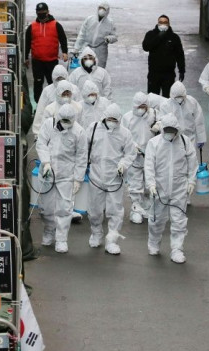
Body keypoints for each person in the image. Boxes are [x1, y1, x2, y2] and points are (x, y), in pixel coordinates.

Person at [144, 113, 197, 264]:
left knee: (179, 220)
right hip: (159, 188)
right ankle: (153, 243)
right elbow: (149, 166)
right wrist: (151, 184)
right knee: (156, 219)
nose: (169, 133)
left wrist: (191, 182)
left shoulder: (185, 143)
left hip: (179, 188)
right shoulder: (154, 143)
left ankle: (177, 249)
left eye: (171, 130)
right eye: (166, 130)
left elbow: (192, 164)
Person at [86, 103, 137, 255]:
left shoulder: (125, 133)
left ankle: (112, 240)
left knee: (115, 211)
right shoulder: (93, 129)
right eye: (109, 118)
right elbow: (83, 148)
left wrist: (123, 164)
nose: (111, 121)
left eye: (115, 119)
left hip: (115, 178)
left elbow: (130, 153)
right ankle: (96, 233)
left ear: (119, 120)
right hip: (96, 176)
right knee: (94, 210)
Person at [35, 103, 87, 253]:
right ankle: (48, 231)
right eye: (63, 120)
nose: (65, 124)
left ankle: (61, 239)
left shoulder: (79, 132)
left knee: (64, 208)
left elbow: (81, 156)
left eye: (68, 121)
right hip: (47, 172)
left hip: (67, 174)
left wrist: (78, 179)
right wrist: (45, 162)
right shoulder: (48, 125)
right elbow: (41, 144)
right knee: (46, 207)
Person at [122, 91, 159, 224]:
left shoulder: (154, 115)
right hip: (135, 156)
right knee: (135, 183)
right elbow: (123, 135)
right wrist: (133, 145)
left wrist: (160, 126)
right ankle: (136, 208)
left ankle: (149, 207)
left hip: (151, 156)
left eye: (144, 106)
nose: (141, 109)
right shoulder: (127, 118)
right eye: (139, 106)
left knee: (151, 183)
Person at [25, 3, 68, 103]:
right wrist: (26, 57)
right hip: (37, 61)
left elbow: (63, 39)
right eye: (38, 13)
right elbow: (27, 43)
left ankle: (53, 102)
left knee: (52, 83)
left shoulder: (56, 25)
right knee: (38, 83)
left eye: (43, 13)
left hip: (51, 61)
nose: (41, 15)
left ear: (48, 12)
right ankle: (38, 103)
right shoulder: (32, 27)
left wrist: (65, 52)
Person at [142, 15, 185, 97]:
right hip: (154, 74)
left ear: (168, 24)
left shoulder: (174, 37)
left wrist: (181, 70)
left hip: (169, 75)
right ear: (157, 23)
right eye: (161, 22)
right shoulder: (150, 34)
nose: (163, 24)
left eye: (165, 23)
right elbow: (146, 47)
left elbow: (180, 55)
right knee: (153, 99)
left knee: (168, 99)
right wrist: (158, 37)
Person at [159, 81, 206, 153]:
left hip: (191, 137)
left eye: (181, 97)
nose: (179, 99)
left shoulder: (192, 102)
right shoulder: (165, 106)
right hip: (174, 138)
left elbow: (199, 121)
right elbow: (163, 124)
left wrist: (201, 138)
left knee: (191, 159)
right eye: (177, 97)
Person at [32, 64, 81, 128]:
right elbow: (40, 111)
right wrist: (37, 131)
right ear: (53, 78)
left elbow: (79, 109)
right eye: (58, 79)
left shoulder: (74, 89)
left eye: (62, 78)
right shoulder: (47, 91)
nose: (60, 81)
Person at [73, 2, 117, 67]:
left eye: (104, 9)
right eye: (100, 8)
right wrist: (77, 48)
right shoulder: (90, 19)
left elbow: (115, 36)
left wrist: (109, 39)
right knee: (84, 68)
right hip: (87, 48)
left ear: (107, 11)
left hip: (100, 51)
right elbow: (82, 34)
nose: (101, 10)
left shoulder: (110, 23)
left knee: (99, 70)